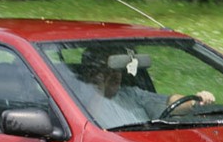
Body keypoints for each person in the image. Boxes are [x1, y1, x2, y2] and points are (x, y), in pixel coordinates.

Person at [75, 48, 214, 128]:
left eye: (118, 70)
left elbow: (170, 102)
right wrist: (99, 88)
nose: (116, 75)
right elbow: (86, 127)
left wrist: (195, 100)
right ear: (93, 72)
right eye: (109, 70)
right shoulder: (76, 98)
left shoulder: (132, 94)